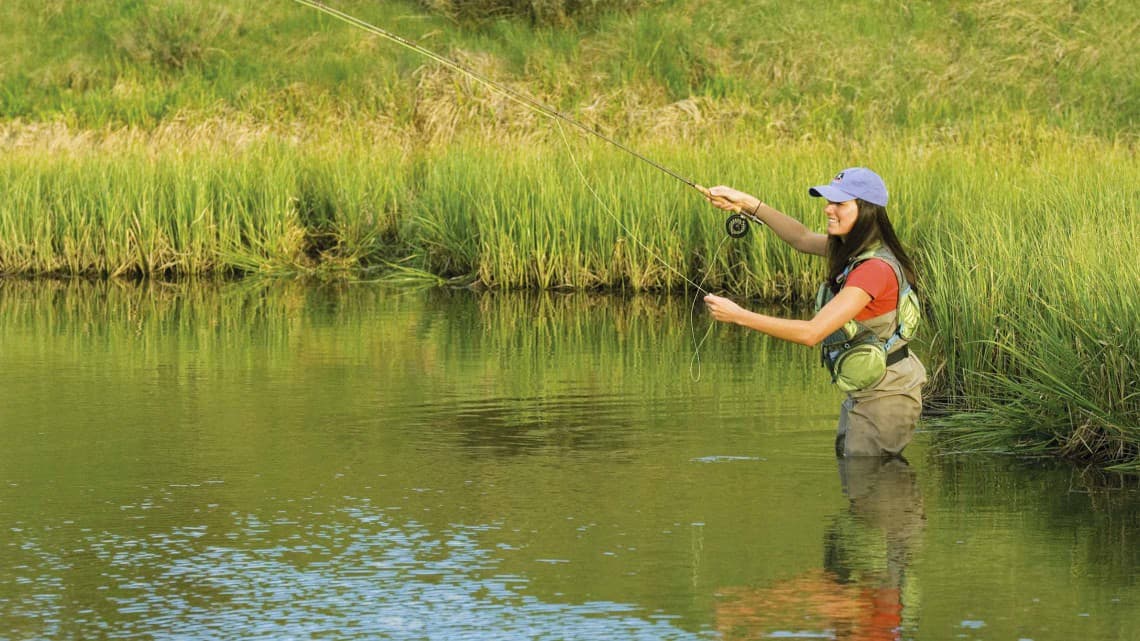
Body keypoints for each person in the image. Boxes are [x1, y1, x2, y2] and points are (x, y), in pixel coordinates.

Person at [702, 168, 926, 457]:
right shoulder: (857, 252)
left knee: (873, 487)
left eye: (840, 204)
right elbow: (801, 237)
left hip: (886, 397)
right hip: (870, 391)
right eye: (828, 201)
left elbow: (811, 333)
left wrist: (739, 315)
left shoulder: (874, 270)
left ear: (867, 211)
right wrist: (745, 202)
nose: (828, 209)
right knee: (861, 483)